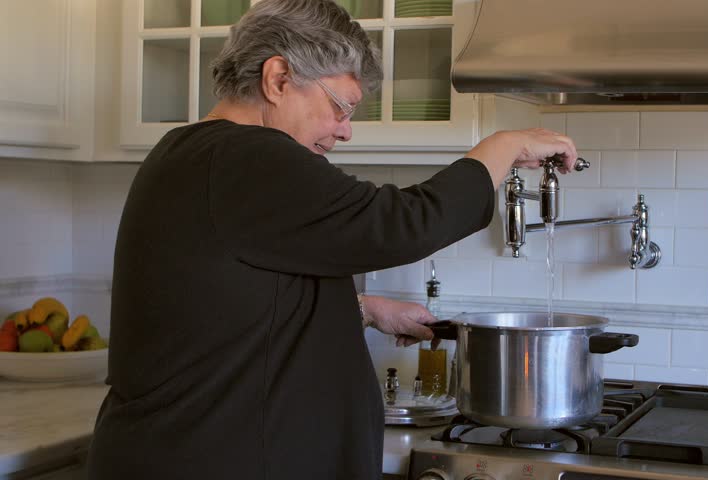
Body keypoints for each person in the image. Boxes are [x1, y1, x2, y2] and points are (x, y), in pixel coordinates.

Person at [86, 0, 578, 478]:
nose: (345, 131)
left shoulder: (195, 152)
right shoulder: (247, 157)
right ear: (278, 79)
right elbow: (402, 224)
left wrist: (363, 307)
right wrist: (502, 146)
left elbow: (228, 303)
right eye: (341, 106)